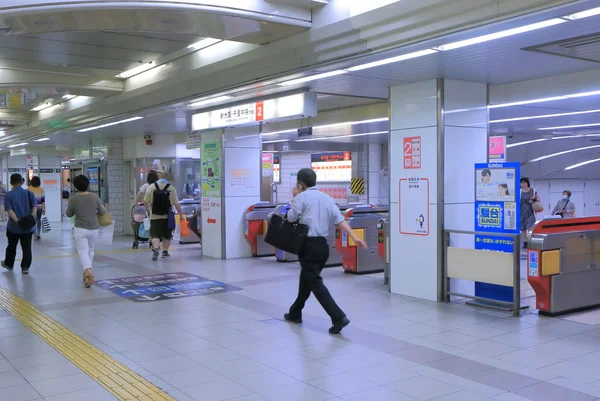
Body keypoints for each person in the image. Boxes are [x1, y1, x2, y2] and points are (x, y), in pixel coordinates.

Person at [284, 168, 368, 334]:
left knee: (315, 282)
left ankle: (338, 317)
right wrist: (353, 237)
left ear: (301, 184)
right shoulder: (327, 198)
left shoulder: (300, 197)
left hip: (308, 245)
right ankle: (295, 312)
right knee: (307, 279)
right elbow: (340, 220)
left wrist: (294, 198)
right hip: (323, 246)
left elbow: (291, 218)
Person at [66, 175, 106, 288]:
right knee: (91, 250)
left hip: (80, 229)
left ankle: (88, 271)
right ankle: (87, 273)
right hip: (94, 228)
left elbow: (68, 214)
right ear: (88, 185)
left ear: (76, 186)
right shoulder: (95, 197)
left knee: (83, 251)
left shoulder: (73, 199)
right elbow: (102, 211)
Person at [1, 174, 37, 274]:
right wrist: (31, 217)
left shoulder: (8, 194)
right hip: (28, 227)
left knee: (11, 246)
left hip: (13, 227)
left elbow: (9, 210)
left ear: (11, 183)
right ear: (22, 182)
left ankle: (9, 264)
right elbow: (34, 207)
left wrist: (18, 221)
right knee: (27, 247)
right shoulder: (29, 193)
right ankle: (25, 267)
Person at [144, 171, 183, 261]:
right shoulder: (171, 188)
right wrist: (180, 214)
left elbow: (145, 202)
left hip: (154, 216)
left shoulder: (151, 187)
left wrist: (148, 211)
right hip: (167, 217)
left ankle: (156, 248)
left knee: (155, 235)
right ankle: (165, 251)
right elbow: (176, 204)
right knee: (167, 235)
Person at [520, 177, 540, 249]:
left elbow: (538, 198)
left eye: (524, 182)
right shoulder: (519, 191)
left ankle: (530, 240)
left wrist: (534, 200)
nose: (523, 184)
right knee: (523, 228)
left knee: (530, 226)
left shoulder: (532, 190)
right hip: (521, 210)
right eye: (522, 182)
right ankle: (525, 241)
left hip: (530, 210)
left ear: (527, 183)